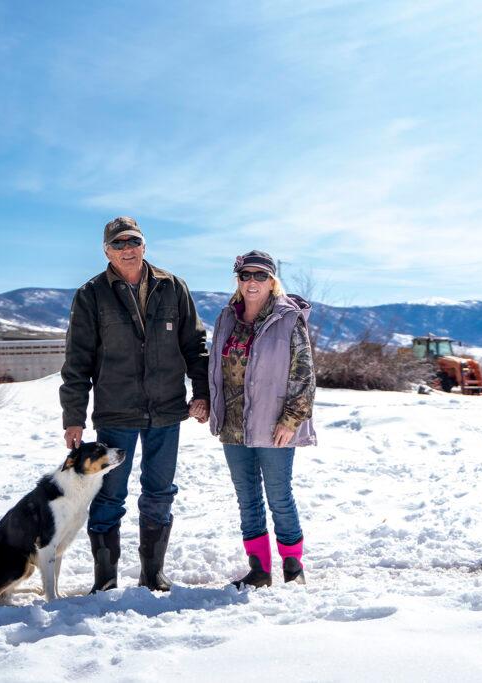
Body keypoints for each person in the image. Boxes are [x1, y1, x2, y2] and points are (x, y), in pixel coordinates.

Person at [60, 216, 209, 593]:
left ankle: (152, 573)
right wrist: (73, 417)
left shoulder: (172, 287)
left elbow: (195, 346)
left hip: (166, 409)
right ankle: (105, 579)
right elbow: (77, 361)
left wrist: (203, 393)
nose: (127, 250)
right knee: (110, 494)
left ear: (144, 246)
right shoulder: (91, 294)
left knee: (160, 492)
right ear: (106, 251)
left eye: (134, 242)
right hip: (116, 411)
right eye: (118, 244)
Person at [207, 250, 316, 588]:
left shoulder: (288, 318)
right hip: (233, 425)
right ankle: (260, 569)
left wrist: (291, 420)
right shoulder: (227, 318)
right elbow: (213, 367)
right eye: (245, 275)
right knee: (247, 497)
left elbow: (304, 374)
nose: (251, 282)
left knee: (279, 495)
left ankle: (293, 567)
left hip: (274, 426)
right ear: (237, 280)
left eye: (259, 276)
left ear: (272, 281)